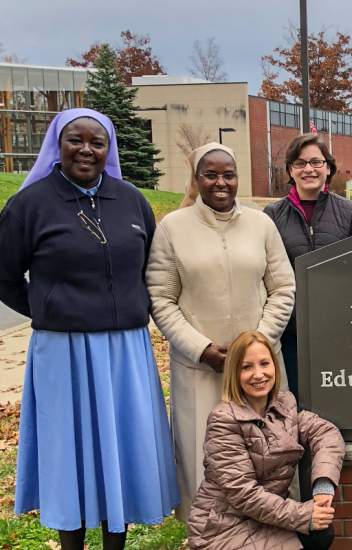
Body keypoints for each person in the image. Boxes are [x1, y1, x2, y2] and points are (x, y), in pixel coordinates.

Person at [0, 108, 178, 549]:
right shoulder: (29, 205)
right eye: (75, 140)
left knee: (120, 453)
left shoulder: (132, 201)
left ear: (108, 148)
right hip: (64, 351)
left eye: (97, 142)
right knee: (71, 458)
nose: (86, 149)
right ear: (57, 146)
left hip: (126, 350)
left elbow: (149, 269)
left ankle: (116, 543)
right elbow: (4, 275)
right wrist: (49, 309)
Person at [146, 142, 295, 519]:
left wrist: (258, 346)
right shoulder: (172, 229)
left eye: (228, 174)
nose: (220, 182)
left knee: (267, 454)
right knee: (204, 458)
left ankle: (269, 531)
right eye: (210, 175)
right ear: (196, 179)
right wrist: (199, 348)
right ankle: (210, 532)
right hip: (201, 369)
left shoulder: (261, 223)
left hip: (259, 368)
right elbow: (161, 297)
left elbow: (283, 287)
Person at [187, 330, 345, 550]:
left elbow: (326, 433)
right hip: (224, 527)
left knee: (321, 533)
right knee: (312, 528)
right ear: (234, 373)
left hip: (266, 518)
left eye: (264, 363)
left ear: (274, 366)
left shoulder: (285, 405)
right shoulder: (223, 420)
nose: (258, 374)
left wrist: (323, 486)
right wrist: (302, 514)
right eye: (247, 367)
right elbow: (244, 493)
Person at [264, 133, 352, 400]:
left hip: (340, 331)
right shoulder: (271, 216)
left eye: (315, 162)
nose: (308, 169)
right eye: (299, 163)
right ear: (290, 169)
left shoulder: (351, 213)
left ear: (328, 168)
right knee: (294, 403)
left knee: (339, 402)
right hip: (290, 334)